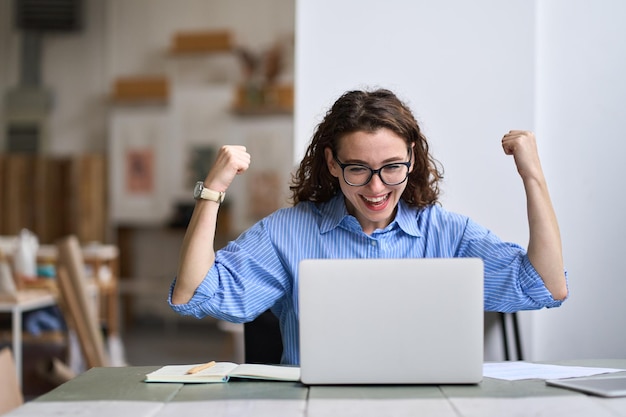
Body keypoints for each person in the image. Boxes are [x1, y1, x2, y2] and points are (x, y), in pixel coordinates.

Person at [169, 88, 568, 365]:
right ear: (331, 163)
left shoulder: (449, 233)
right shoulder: (286, 233)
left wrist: (533, 177)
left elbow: (547, 286)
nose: (376, 188)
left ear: (411, 159)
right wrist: (212, 190)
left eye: (392, 167)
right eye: (358, 169)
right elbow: (194, 292)